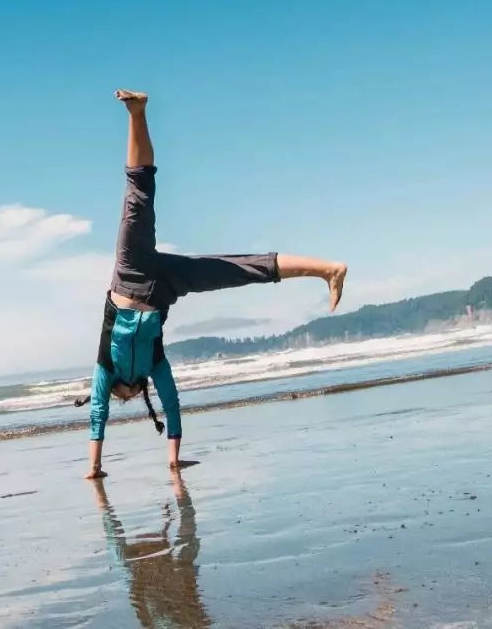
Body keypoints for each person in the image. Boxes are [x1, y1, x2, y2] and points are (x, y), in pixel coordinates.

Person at [83, 90, 348, 479]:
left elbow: (97, 414)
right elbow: (170, 405)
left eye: (120, 398)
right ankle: (328, 269)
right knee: (237, 268)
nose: (118, 398)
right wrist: (173, 461)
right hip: (160, 290)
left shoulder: (107, 368)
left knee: (140, 195)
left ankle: (137, 113)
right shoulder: (152, 366)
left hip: (132, 276)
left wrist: (95, 468)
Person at [90, 472, 210, 628]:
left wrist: (103, 504)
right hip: (164, 595)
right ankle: (180, 492)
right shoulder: (179, 575)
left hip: (158, 593)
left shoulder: (135, 576)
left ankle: (180, 493)